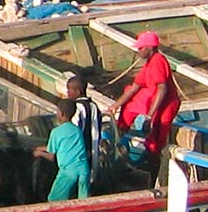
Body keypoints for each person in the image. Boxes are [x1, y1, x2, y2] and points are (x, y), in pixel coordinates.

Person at [116, 31, 181, 188]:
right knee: (151, 139)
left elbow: (162, 89)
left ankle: (154, 179)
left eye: (140, 48)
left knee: (157, 143)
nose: (138, 51)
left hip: (166, 106)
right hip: (159, 104)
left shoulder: (158, 62)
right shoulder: (148, 64)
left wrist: (149, 116)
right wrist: (115, 105)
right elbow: (134, 87)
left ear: (150, 48)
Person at [35, 99, 91, 201]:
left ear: (61, 113)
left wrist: (38, 153)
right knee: (84, 202)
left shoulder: (55, 132)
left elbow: (51, 156)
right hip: (84, 170)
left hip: (68, 172)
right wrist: (42, 148)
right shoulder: (77, 130)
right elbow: (64, 146)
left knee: (54, 199)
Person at [66, 74, 105, 189]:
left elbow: (76, 129)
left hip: (82, 149)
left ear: (77, 92)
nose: (67, 93)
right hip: (94, 147)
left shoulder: (78, 107)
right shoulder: (94, 106)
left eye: (69, 90)